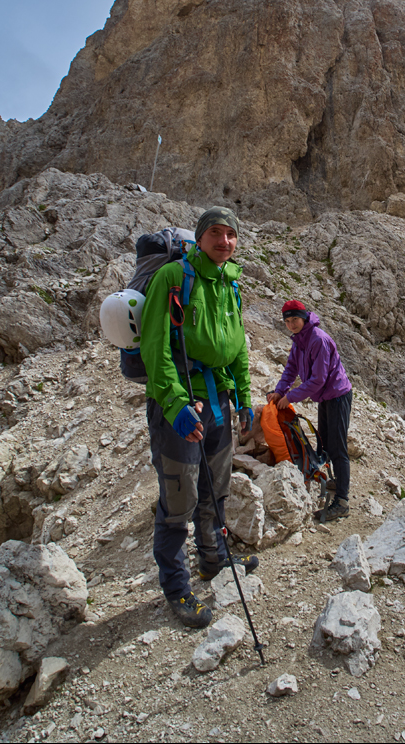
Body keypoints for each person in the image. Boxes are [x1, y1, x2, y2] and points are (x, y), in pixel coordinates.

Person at [140, 206, 255, 627]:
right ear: (200, 237)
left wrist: (243, 398)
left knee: (215, 485)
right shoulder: (174, 278)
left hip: (219, 400)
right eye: (215, 233)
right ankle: (177, 588)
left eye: (231, 234)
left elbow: (238, 345)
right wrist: (174, 405)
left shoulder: (231, 282)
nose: (224, 241)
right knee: (178, 497)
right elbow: (155, 348)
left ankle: (214, 558)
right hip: (182, 404)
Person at [267, 300, 353, 521]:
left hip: (337, 395)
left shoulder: (318, 340)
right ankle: (337, 482)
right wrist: (279, 391)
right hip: (326, 396)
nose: (291, 324)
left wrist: (290, 397)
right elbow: (291, 368)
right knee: (324, 441)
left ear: (304, 317)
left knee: (337, 446)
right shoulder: (300, 341)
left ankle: (342, 501)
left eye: (294, 319)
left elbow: (317, 379)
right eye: (287, 321)